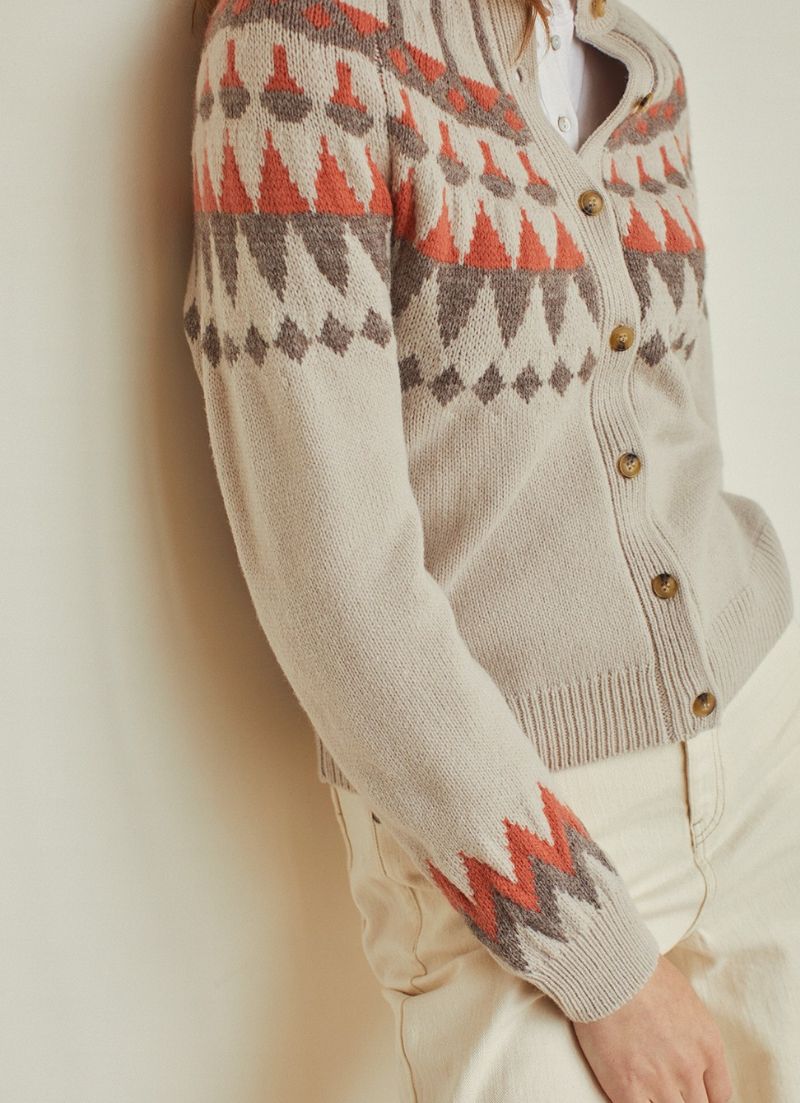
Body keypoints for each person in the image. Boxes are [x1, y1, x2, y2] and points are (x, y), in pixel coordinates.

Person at [181, 0, 799, 1098]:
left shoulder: (635, 64)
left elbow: (676, 437)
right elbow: (336, 590)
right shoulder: (299, 51)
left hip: (761, 744)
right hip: (516, 821)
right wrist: (602, 963)